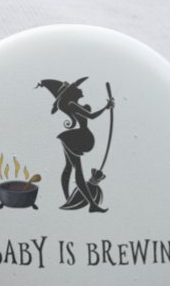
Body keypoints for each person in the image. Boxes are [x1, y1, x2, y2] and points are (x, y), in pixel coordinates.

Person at [38, 77, 114, 212]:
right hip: (74, 140)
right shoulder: (72, 104)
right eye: (76, 88)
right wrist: (106, 107)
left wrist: (106, 107)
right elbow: (91, 116)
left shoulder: (76, 104)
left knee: (68, 166)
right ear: (71, 93)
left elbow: (88, 114)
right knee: (77, 171)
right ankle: (92, 204)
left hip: (75, 139)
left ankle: (68, 198)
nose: (80, 89)